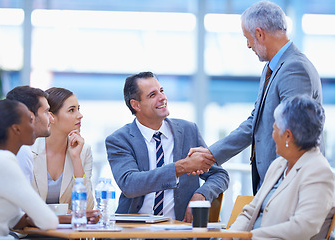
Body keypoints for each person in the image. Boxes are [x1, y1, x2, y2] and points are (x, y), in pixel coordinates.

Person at [190, 0, 323, 194]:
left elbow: (294, 133)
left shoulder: (295, 68)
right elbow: (256, 122)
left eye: (248, 37)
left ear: (259, 33)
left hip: (287, 186)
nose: (247, 45)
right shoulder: (272, 68)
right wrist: (212, 153)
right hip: (272, 184)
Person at [105, 72, 229, 222]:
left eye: (161, 91)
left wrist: (201, 195)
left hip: (178, 230)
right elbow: (130, 184)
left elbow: (219, 175)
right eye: (152, 95)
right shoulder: (119, 140)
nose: (162, 97)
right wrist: (181, 167)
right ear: (135, 105)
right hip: (134, 230)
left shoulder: (189, 130)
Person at [223, 95, 335, 240]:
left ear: (288, 136)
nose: (273, 135)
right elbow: (250, 211)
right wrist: (230, 236)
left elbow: (303, 227)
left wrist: (250, 236)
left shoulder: (319, 172)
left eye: (275, 129)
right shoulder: (279, 164)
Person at [0, 99, 58, 238]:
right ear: (16, 129)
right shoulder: (3, 161)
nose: (34, 126)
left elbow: (11, 218)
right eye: (30, 121)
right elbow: (49, 221)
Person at [31, 87, 94, 210]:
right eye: (72, 110)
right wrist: (64, 213)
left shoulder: (83, 151)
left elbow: (88, 209)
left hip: (67, 229)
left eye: (78, 109)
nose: (80, 115)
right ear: (51, 117)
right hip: (30, 228)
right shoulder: (29, 149)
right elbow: (23, 206)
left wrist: (76, 159)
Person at [0, 86, 53, 183]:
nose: (51, 119)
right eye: (46, 112)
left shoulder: (0, 147)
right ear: (30, 116)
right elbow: (23, 197)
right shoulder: (20, 150)